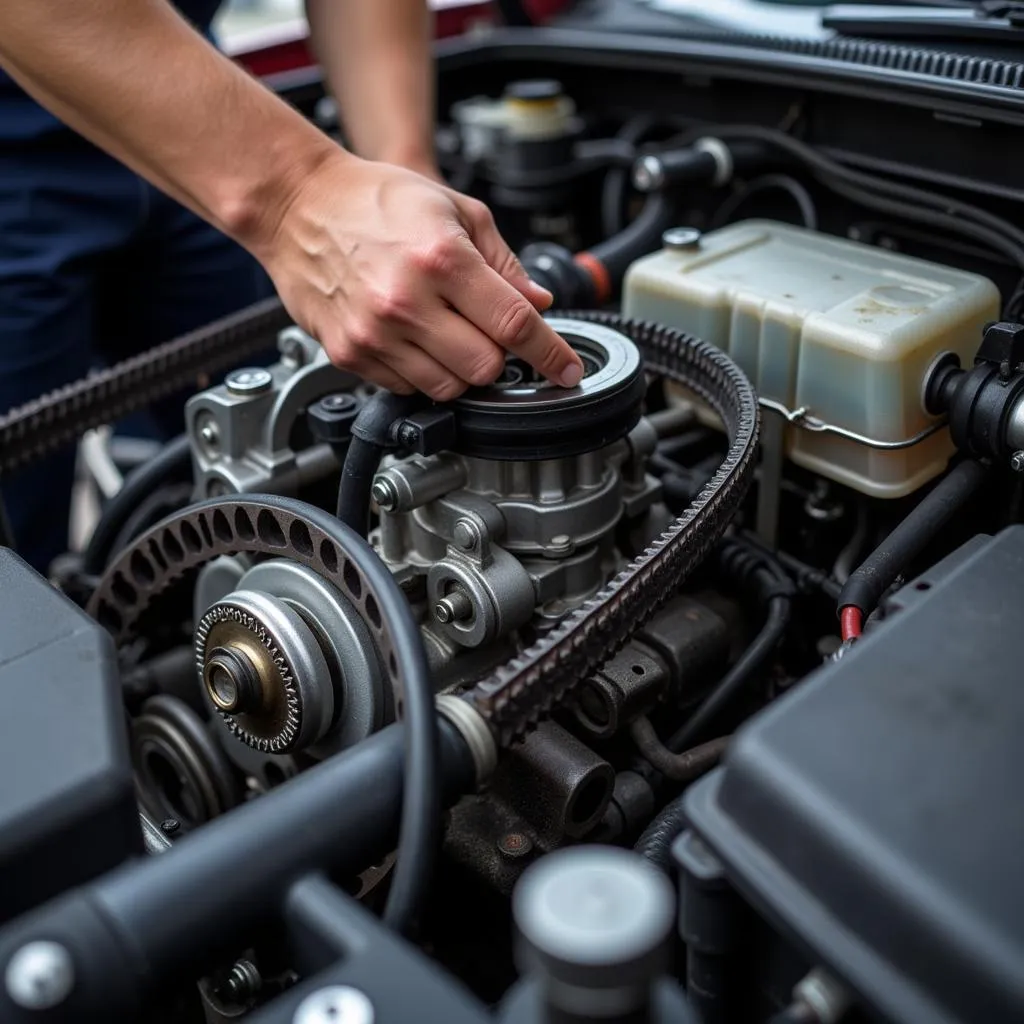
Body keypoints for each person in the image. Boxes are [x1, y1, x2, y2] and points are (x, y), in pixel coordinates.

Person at [0, 0, 583, 572]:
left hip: (188, 101)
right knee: (18, 567)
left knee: (265, 471)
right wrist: (296, 197)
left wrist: (403, 175)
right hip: (29, 150)